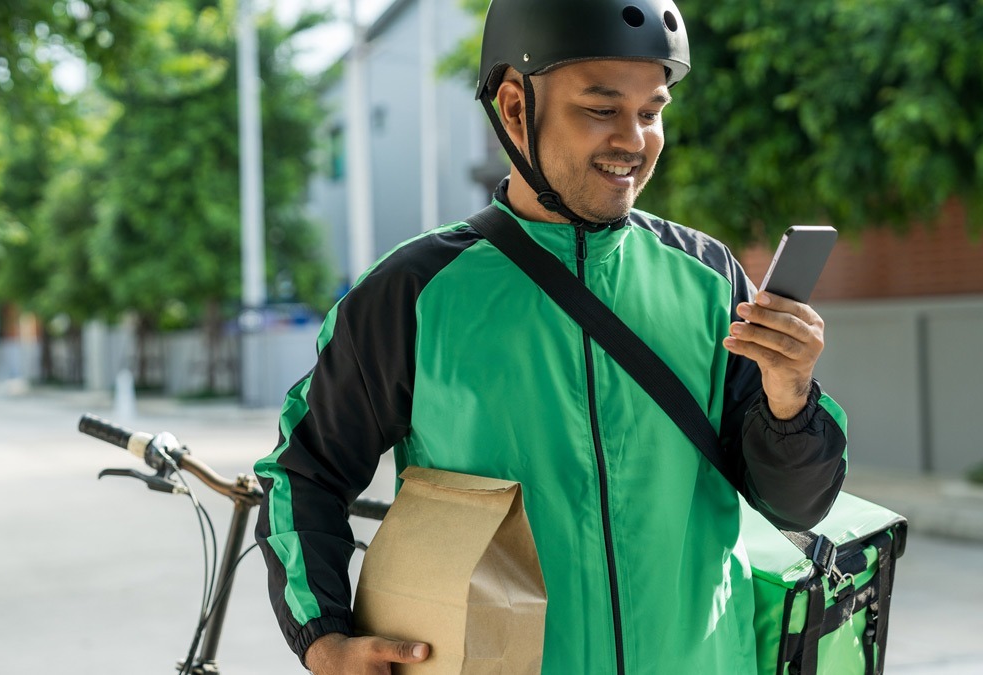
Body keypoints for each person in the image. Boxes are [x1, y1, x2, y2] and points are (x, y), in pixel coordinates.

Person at [255, 0, 848, 672]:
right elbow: (305, 470)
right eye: (601, 109)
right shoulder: (413, 294)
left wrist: (790, 397)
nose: (634, 139)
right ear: (514, 108)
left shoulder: (711, 279)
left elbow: (795, 504)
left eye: (651, 111)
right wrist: (325, 636)